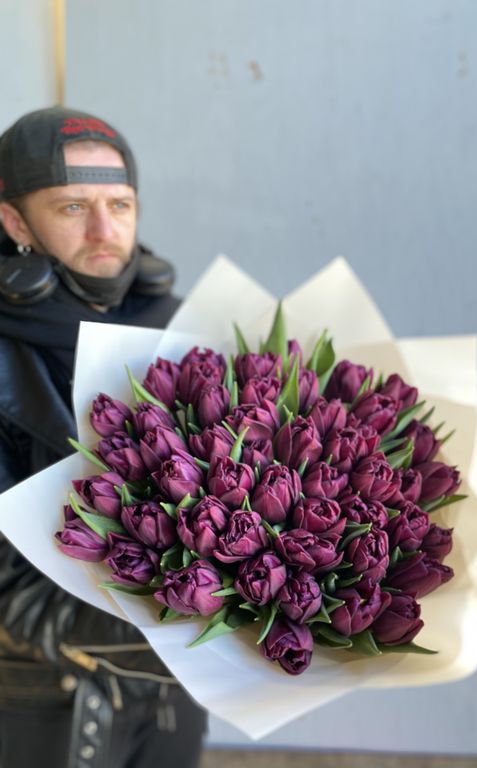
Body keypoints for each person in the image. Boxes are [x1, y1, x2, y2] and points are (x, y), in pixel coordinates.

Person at [0, 107, 207, 768]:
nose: (104, 230)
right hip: (41, 696)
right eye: (72, 207)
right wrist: (172, 626)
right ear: (14, 223)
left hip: (177, 687)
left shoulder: (180, 326)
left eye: (120, 205)